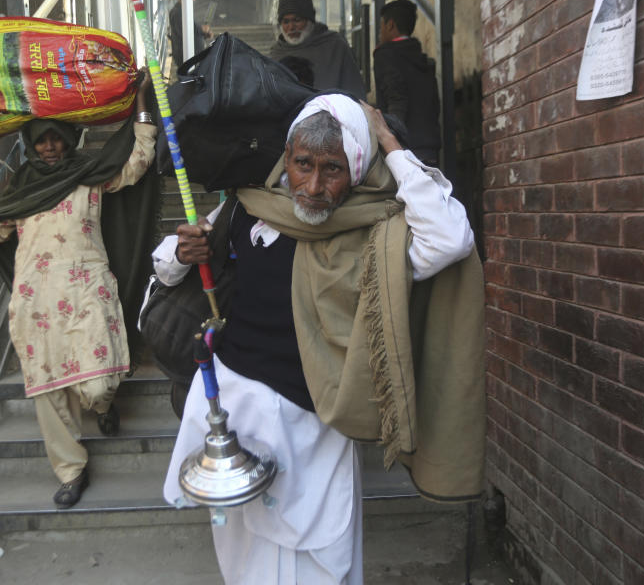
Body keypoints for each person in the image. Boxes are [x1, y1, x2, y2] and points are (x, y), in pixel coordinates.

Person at [153, 93, 485, 584]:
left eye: (331, 169)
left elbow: (451, 239)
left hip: (315, 421)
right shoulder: (249, 208)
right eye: (302, 163)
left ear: (356, 167)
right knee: (244, 553)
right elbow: (167, 265)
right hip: (237, 406)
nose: (311, 186)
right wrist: (185, 251)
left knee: (322, 556)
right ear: (285, 157)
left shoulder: (377, 235)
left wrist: (390, 144)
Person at [0, 72, 158, 509]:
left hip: (88, 291)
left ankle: (103, 409)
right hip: (36, 301)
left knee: (99, 384)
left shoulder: (90, 177)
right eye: (41, 141)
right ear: (31, 144)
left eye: (55, 139)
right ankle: (71, 469)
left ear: (68, 139)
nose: (48, 147)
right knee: (48, 388)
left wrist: (141, 100)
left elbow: (137, 162)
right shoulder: (22, 187)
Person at [373, 0, 442, 166]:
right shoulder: (422, 59)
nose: (380, 31)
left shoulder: (385, 55)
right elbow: (434, 103)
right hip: (429, 146)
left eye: (381, 25)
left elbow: (396, 98)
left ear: (390, 25)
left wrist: (391, 142)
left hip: (404, 148)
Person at [269, 0, 365, 99]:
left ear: (310, 20)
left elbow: (354, 90)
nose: (291, 27)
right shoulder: (276, 53)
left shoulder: (335, 46)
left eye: (297, 20)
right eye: (286, 21)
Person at [169, 0, 212, 73]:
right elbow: (184, 33)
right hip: (186, 57)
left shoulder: (182, 11)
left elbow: (193, 31)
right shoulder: (178, 12)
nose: (194, 0)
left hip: (191, 57)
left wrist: (204, 34)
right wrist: (202, 29)